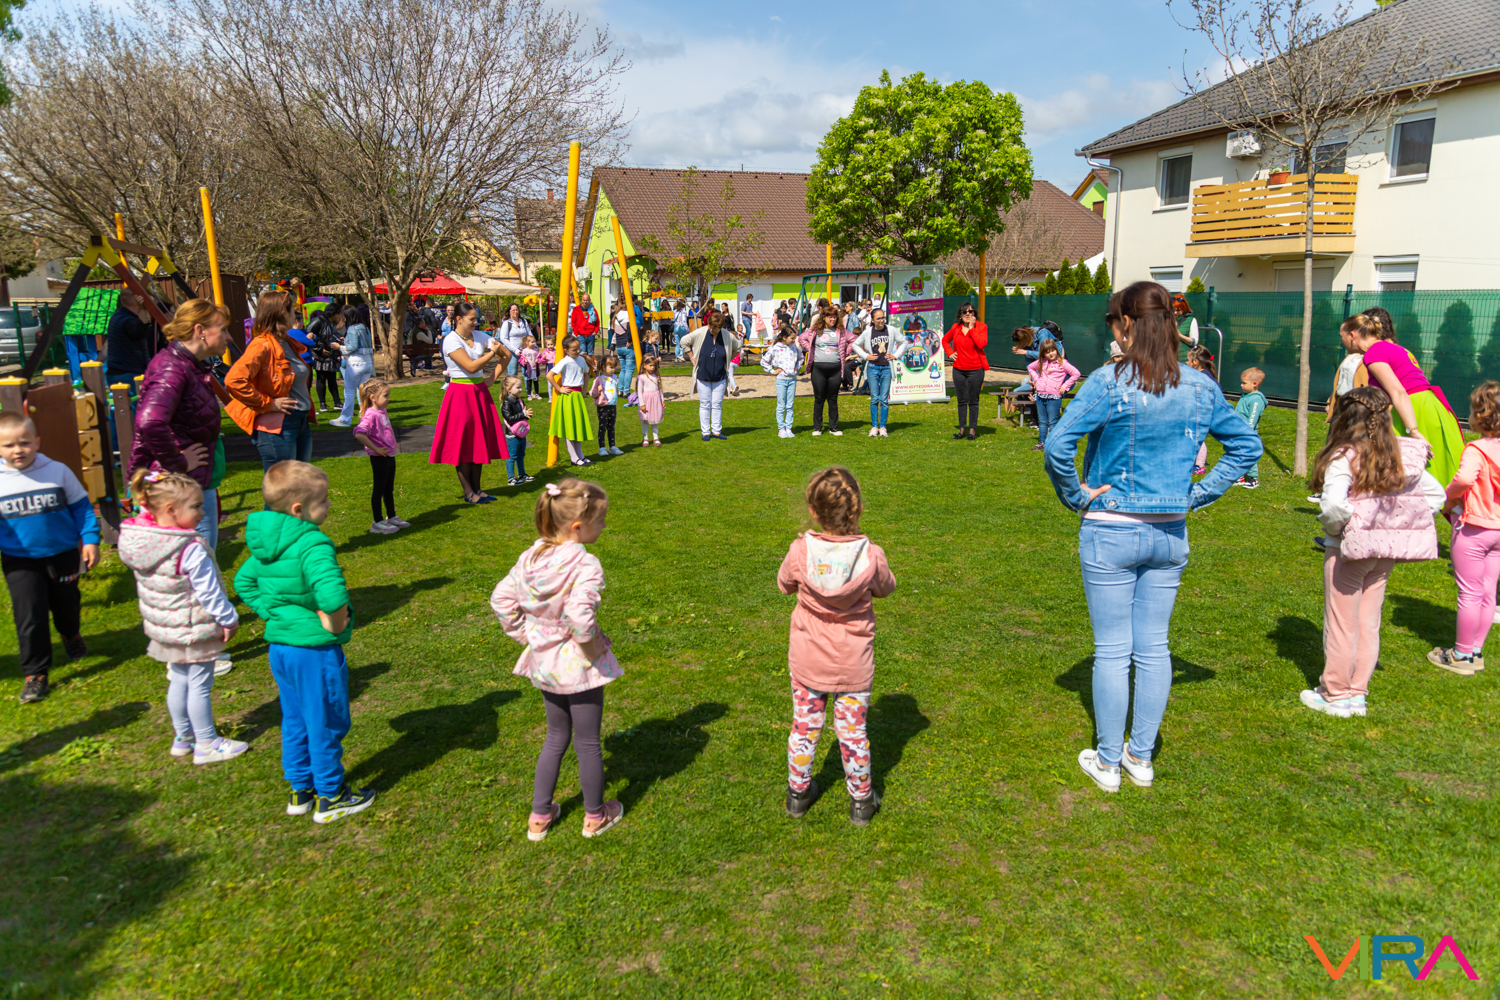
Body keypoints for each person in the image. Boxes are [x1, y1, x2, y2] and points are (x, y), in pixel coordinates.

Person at [1043, 281, 1262, 794]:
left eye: (1111, 321)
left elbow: (1057, 444)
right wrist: (1194, 496)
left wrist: (1076, 495)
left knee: (1113, 651)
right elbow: (1246, 447)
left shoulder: (1108, 380)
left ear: (1125, 324)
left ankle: (1109, 761)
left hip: (1111, 530)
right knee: (1154, 648)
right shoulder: (1200, 385)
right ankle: (1139, 757)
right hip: (1168, 533)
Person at [235, 461, 374, 823]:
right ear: (299, 509)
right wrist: (334, 623)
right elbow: (332, 596)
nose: (329, 505)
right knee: (324, 720)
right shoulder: (313, 543)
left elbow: (243, 581)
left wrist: (272, 613)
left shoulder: (266, 542)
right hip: (314, 652)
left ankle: (300, 790)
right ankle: (331, 795)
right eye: (323, 501)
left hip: (281, 649)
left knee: (295, 718)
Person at [489, 478, 624, 841]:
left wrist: (528, 636)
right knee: (588, 741)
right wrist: (591, 650)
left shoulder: (530, 557)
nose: (605, 526)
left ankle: (540, 816)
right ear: (578, 526)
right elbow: (580, 619)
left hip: (544, 663)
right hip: (578, 665)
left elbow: (501, 600)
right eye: (601, 520)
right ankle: (595, 816)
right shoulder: (586, 565)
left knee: (555, 736)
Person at [1304, 386, 1442, 715]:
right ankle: (1357, 693)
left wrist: (1338, 529)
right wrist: (1397, 522)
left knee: (1342, 623)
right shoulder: (1401, 455)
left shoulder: (1345, 455)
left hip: (1348, 552)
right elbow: (1436, 495)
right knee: (1369, 622)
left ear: (1345, 417)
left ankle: (1336, 695)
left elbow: (1334, 505)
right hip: (1384, 554)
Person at [778, 467, 897, 826]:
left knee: (804, 729)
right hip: (853, 663)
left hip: (808, 659)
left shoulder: (800, 550)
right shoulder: (871, 555)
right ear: (856, 509)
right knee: (853, 733)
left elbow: (784, 584)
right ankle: (861, 801)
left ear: (813, 511)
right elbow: (886, 587)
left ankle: (798, 795)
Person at [118, 469, 247, 764]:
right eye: (196, 506)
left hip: (166, 627)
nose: (203, 512)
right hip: (194, 627)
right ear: (171, 510)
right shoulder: (190, 549)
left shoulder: (142, 539)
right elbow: (210, 592)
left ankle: (183, 737)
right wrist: (229, 618)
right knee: (199, 684)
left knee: (178, 679)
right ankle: (207, 744)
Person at [0, 411, 99, 704]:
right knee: (29, 615)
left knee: (67, 604)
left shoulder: (57, 471)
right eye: (8, 445)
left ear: (37, 442)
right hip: (19, 559)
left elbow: (81, 507)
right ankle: (36, 673)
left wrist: (90, 539)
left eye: (25, 442)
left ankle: (70, 634)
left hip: (63, 554)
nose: (18, 450)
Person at [130, 298, 232, 539]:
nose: (229, 337)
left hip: (193, 486)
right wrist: (178, 462)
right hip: (182, 491)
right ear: (200, 330)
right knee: (193, 559)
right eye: (223, 329)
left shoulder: (187, 366)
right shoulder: (173, 367)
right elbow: (150, 421)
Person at [1346, 310, 1464, 487]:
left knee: (1405, 465)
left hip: (1413, 407)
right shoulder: (1397, 348)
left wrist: (1413, 430)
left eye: (1341, 336)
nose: (1341, 342)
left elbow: (1398, 392)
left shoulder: (1373, 353)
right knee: (1440, 465)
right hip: (1432, 404)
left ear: (1352, 335)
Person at [1431, 381, 1500, 675]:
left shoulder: (1476, 449)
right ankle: (1475, 651)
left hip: (1473, 528)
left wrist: (1447, 498)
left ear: (1480, 415)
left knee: (1469, 593)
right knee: (1488, 592)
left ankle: (1461, 655)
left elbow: (1463, 480)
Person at [226, 291, 315, 470]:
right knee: (281, 484)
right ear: (282, 313)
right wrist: (269, 403)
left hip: (300, 420)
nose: (296, 313)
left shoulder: (288, 342)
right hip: (279, 425)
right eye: (292, 309)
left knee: (299, 481)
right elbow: (234, 380)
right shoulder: (262, 344)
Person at [430, 301, 509, 503]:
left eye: (476, 319)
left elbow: (507, 355)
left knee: (478, 439)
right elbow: (471, 367)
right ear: (458, 319)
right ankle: (468, 492)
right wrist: (492, 352)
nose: (475, 322)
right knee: (463, 442)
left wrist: (492, 378)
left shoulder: (480, 336)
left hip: (478, 392)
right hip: (460, 393)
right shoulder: (451, 340)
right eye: (471, 319)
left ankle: (477, 489)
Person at [353, 379, 407, 535]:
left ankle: (391, 516)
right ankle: (377, 522)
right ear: (373, 397)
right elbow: (359, 433)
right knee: (379, 490)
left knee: (388, 488)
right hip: (379, 458)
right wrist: (375, 448)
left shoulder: (382, 410)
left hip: (389, 455)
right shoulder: (370, 415)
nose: (389, 398)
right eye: (385, 395)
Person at [680, 309, 740, 441]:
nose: (712, 330)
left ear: (721, 327)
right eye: (711, 327)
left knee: (717, 404)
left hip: (720, 376)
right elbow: (684, 341)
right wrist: (692, 358)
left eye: (715, 328)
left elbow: (738, 347)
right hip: (703, 375)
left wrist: (728, 359)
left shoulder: (727, 335)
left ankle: (717, 431)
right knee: (705, 404)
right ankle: (705, 432)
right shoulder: (700, 332)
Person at [797, 305, 855, 437]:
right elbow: (801, 338)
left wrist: (846, 352)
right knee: (819, 399)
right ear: (823, 317)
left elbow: (854, 340)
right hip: (818, 369)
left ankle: (833, 427)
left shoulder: (841, 330)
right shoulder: (815, 329)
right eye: (830, 317)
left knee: (833, 399)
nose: (833, 319)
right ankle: (817, 428)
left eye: (835, 317)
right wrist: (810, 348)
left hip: (835, 369)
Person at [942, 303, 989, 440]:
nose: (968, 314)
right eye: (965, 312)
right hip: (959, 370)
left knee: (973, 401)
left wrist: (972, 328)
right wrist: (950, 353)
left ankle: (972, 431)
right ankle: (962, 430)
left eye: (971, 311)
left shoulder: (981, 327)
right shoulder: (955, 327)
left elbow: (981, 344)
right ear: (960, 315)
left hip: (975, 369)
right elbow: (945, 340)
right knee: (961, 400)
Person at [549, 335, 597, 466]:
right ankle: (574, 458)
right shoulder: (565, 361)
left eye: (578, 348)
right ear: (566, 350)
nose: (577, 351)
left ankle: (581, 456)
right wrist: (559, 388)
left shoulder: (581, 359)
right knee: (570, 428)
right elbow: (549, 375)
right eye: (574, 349)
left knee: (577, 426)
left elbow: (586, 374)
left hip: (578, 396)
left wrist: (584, 390)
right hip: (568, 396)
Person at [853, 309, 901, 437]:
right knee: (874, 398)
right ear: (872, 320)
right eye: (878, 318)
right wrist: (866, 356)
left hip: (886, 368)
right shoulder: (868, 332)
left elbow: (903, 342)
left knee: (884, 399)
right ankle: (875, 426)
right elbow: (855, 345)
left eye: (883, 317)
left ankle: (883, 427)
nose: (881, 320)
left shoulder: (891, 330)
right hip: (873, 367)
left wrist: (895, 355)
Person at [1027, 339, 1081, 453]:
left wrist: (1065, 386)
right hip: (1040, 396)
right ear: (1043, 354)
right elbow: (1030, 367)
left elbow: (1076, 373)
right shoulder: (1041, 362)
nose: (1051, 354)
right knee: (1042, 422)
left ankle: (1053, 444)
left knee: (1052, 422)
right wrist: (1036, 379)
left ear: (1056, 350)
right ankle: (1042, 443)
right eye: (1047, 352)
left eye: (1053, 350)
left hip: (1053, 397)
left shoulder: (1063, 363)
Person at [105, 288, 162, 389]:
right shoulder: (127, 320)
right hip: (128, 373)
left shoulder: (117, 316)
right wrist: (143, 310)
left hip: (119, 371)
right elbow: (139, 332)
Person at [330, 304, 375, 428]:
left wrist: (339, 347)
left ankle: (345, 418)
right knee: (363, 392)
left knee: (349, 391)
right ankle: (367, 418)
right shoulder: (364, 327)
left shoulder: (352, 328)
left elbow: (353, 347)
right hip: (367, 363)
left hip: (355, 363)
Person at [762, 324, 804, 438]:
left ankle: (788, 428)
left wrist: (797, 367)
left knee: (790, 405)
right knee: (781, 405)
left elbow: (801, 358)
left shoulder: (794, 348)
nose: (794, 340)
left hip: (792, 380)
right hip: (781, 380)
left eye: (794, 338)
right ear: (784, 337)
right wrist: (772, 371)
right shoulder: (775, 348)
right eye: (792, 338)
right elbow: (764, 361)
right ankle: (781, 429)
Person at [1233, 368, 1268, 489]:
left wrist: (1246, 431)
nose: (1241, 385)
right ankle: (1240, 476)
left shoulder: (1257, 399)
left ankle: (1253, 478)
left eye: (1244, 383)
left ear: (1254, 384)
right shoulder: (1245, 396)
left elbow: (1253, 418)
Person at [1185, 346, 1217, 474]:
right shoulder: (1204, 375)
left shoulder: (1203, 377)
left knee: (1197, 438)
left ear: (1195, 362)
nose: (1186, 362)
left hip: (1202, 413)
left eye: (1188, 360)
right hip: (1200, 411)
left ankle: (1199, 466)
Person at [500, 376, 534, 486]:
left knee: (521, 454)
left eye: (521, 387)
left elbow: (524, 413)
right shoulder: (506, 403)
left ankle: (522, 474)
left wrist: (527, 415)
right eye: (518, 387)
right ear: (509, 389)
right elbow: (509, 418)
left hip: (521, 432)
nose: (520, 389)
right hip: (512, 434)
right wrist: (523, 414)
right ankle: (511, 477)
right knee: (512, 456)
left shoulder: (519, 400)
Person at [310, 306, 346, 408]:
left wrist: (339, 340)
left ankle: (337, 402)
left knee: (332, 378)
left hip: (331, 355)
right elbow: (308, 336)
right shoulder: (318, 321)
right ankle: (322, 403)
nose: (339, 316)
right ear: (333, 313)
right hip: (320, 356)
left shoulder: (333, 323)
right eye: (338, 313)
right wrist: (319, 349)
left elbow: (332, 335)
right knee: (321, 378)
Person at [592, 354, 623, 457]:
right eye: (611, 367)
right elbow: (592, 393)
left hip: (613, 406)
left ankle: (612, 447)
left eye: (614, 367)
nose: (613, 370)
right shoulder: (599, 379)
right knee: (602, 427)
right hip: (603, 406)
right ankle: (602, 448)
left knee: (611, 427)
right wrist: (597, 391)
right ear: (604, 367)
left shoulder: (614, 377)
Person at [633, 354, 665, 446]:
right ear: (644, 365)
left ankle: (656, 438)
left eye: (654, 365)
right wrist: (642, 404)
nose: (652, 367)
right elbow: (639, 392)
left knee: (655, 420)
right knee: (646, 420)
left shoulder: (656, 376)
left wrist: (662, 400)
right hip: (646, 401)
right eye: (650, 365)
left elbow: (660, 389)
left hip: (655, 400)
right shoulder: (642, 377)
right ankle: (645, 438)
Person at [610, 302, 637, 406]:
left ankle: (620, 390)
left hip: (619, 345)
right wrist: (630, 340)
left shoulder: (615, 317)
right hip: (628, 345)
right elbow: (630, 329)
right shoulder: (629, 316)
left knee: (623, 369)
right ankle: (626, 391)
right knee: (629, 369)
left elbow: (612, 331)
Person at [497, 303, 532, 378]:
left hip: (524, 351)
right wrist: (515, 350)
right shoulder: (507, 323)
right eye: (513, 310)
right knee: (513, 373)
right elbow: (503, 338)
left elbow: (529, 334)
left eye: (517, 310)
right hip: (512, 352)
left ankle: (528, 386)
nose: (515, 312)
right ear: (509, 311)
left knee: (527, 372)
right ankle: (512, 386)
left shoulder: (523, 321)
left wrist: (533, 346)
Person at [570, 293, 601, 357]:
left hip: (590, 334)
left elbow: (597, 322)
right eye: (584, 300)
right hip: (580, 335)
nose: (585, 302)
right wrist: (576, 333)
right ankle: (590, 363)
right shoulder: (576, 310)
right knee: (582, 353)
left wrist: (595, 331)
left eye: (587, 300)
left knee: (590, 354)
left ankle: (589, 363)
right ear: (582, 300)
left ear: (589, 300)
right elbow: (573, 322)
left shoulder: (593, 310)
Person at [520, 334, 542, 399]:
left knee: (536, 382)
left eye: (534, 342)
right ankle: (529, 395)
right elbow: (521, 359)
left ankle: (537, 394)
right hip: (528, 369)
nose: (533, 343)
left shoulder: (536, 350)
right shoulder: (524, 351)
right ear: (527, 342)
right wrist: (524, 361)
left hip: (535, 369)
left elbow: (540, 358)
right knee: (529, 382)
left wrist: (538, 360)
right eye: (532, 342)